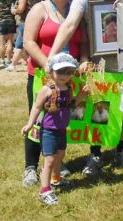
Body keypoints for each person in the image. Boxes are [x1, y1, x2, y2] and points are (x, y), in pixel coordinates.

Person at [48, 0, 123, 176]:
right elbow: (70, 24)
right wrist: (52, 55)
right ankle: (96, 152)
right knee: (100, 104)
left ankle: (122, 148)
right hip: (100, 57)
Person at [22, 0, 87, 186]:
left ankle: (57, 163)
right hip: (42, 74)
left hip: (70, 77)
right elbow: (29, 42)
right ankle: (30, 167)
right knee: (40, 117)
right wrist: (48, 65)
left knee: (62, 119)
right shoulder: (39, 9)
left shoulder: (76, 11)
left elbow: (85, 41)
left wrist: (84, 60)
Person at [21, 53, 85, 205]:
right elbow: (36, 107)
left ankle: (55, 179)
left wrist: (82, 94)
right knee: (49, 160)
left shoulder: (67, 88)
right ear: (51, 72)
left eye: (68, 72)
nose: (64, 76)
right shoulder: (47, 90)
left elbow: (72, 104)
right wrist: (30, 124)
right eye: (60, 72)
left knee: (60, 155)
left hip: (62, 130)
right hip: (49, 130)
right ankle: (44, 190)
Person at [7, 0, 41, 71]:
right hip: (35, 21)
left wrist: (14, 10)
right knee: (30, 43)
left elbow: (21, 9)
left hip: (23, 22)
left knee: (19, 43)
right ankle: (29, 61)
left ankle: (12, 65)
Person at [0, 0, 18, 68]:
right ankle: (8, 60)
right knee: (10, 41)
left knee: (2, 42)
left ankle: (2, 60)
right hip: (11, 21)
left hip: (1, 22)